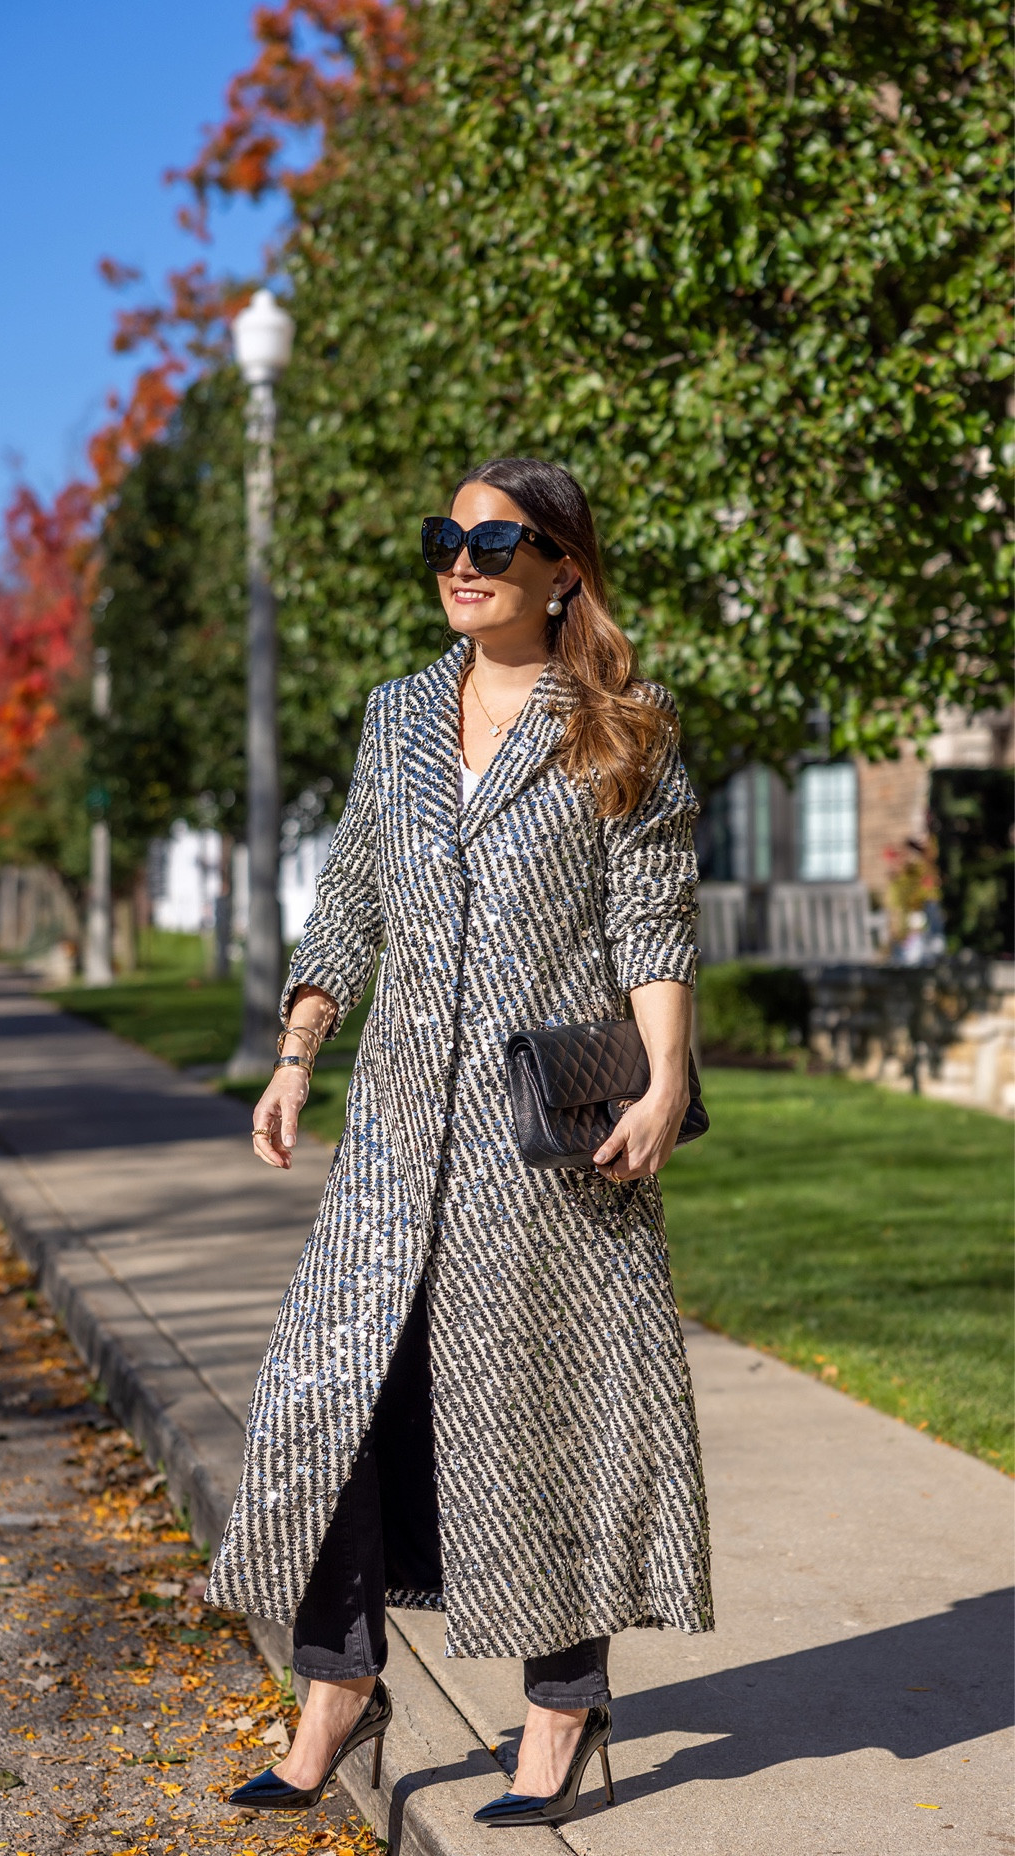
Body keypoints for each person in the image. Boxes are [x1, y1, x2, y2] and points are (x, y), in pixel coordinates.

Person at [206, 456, 712, 1828]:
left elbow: (651, 927)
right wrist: (300, 1053)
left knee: (547, 1422)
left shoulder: (623, 725)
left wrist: (665, 1082)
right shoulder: (399, 716)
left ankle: (560, 1707)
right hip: (394, 1137)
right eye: (449, 535)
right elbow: (354, 897)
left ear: (561, 568)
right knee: (337, 1408)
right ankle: (338, 1695)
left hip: (544, 1145)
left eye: (497, 539)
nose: (464, 558)